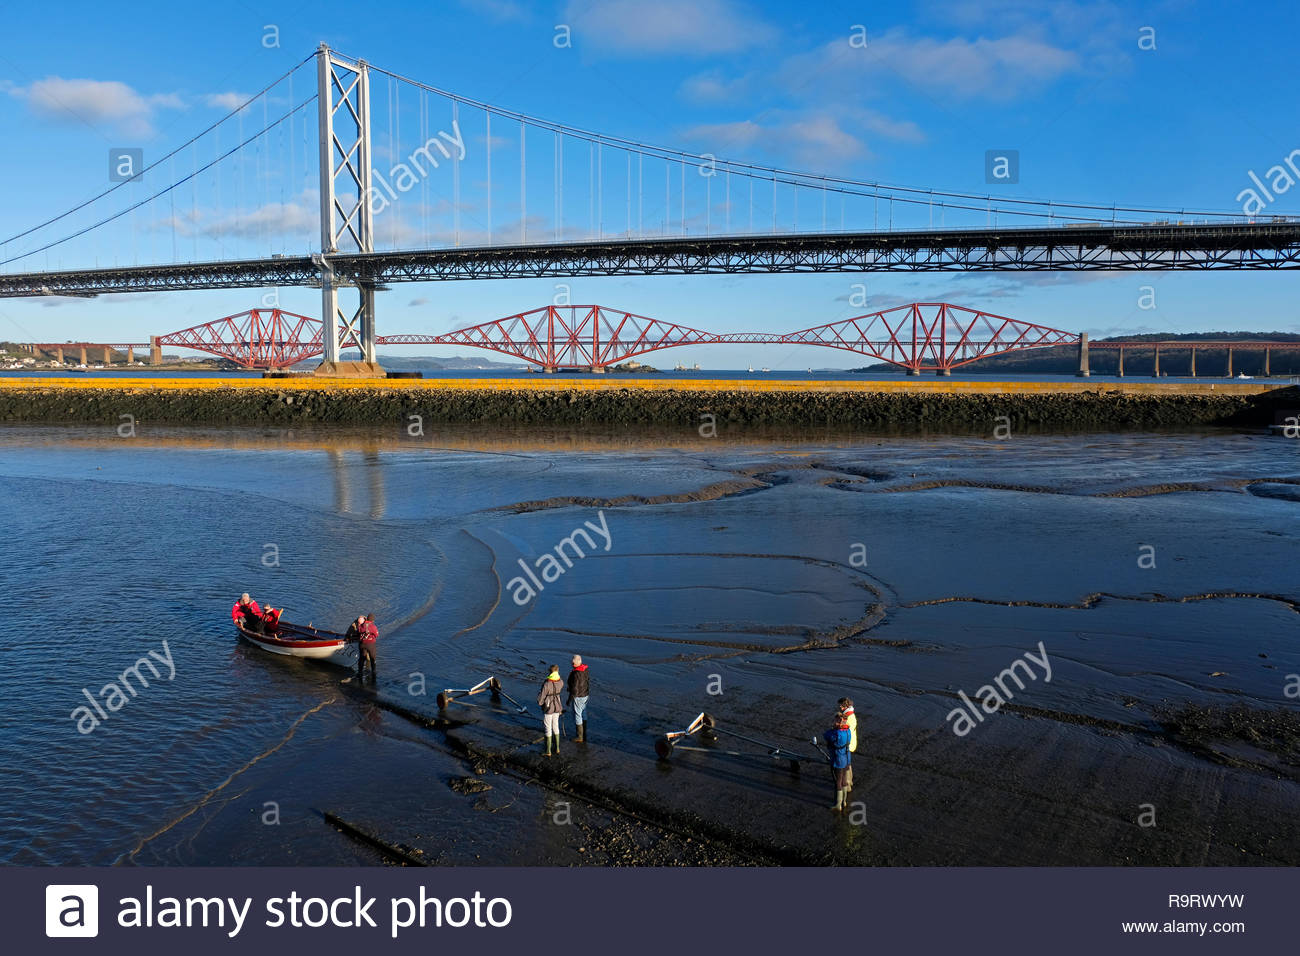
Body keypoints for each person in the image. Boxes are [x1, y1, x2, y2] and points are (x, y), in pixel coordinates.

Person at [823, 714, 852, 812]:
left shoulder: (837, 733)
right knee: (844, 780)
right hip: (845, 757)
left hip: (838, 759)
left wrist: (833, 727)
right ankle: (844, 802)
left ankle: (837, 804)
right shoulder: (848, 731)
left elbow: (826, 735)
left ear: (839, 721)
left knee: (837, 781)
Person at [538, 664, 565, 756]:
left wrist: (540, 703)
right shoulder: (561, 682)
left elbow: (541, 697)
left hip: (548, 708)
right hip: (557, 706)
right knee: (556, 726)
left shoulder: (547, 683)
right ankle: (557, 748)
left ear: (550, 672)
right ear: (557, 671)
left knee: (547, 728)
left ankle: (548, 751)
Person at [567, 654, 590, 742]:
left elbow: (575, 689)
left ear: (576, 663)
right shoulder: (585, 669)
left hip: (578, 696)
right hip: (585, 694)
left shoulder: (576, 673)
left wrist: (569, 699)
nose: (572, 664)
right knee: (583, 713)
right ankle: (584, 734)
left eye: (573, 663)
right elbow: (587, 681)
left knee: (577, 714)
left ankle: (579, 736)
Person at [838, 697, 858, 791]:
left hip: (847, 743)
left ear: (845, 706)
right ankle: (850, 781)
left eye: (841, 705)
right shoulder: (852, 714)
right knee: (848, 763)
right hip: (852, 742)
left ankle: (847, 786)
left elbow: (842, 731)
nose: (839, 707)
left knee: (845, 765)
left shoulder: (846, 716)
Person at [356, 614, 378, 683]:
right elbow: (377, 635)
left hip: (362, 644)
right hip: (371, 644)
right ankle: (373, 672)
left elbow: (359, 631)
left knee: (362, 659)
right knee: (372, 658)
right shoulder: (373, 626)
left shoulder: (362, 625)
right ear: (372, 620)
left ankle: (360, 672)